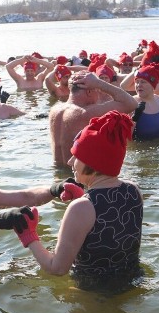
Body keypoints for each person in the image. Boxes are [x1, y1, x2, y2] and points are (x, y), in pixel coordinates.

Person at [12, 111, 143, 293]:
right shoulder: (134, 190)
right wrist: (84, 196)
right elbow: (109, 222)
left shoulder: (81, 208)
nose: (70, 161)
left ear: (93, 163)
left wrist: (29, 236)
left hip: (94, 296)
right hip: (133, 283)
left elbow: (57, 268)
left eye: (77, 156)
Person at [49, 71, 138, 168]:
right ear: (89, 91)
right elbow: (131, 104)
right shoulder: (86, 112)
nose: (100, 94)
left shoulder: (55, 109)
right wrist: (99, 83)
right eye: (98, 90)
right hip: (79, 177)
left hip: (58, 176)